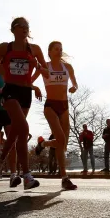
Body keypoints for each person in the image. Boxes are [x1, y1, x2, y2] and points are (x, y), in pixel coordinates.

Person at [0, 17, 47, 190]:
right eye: (21, 26)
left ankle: (0, 159)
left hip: (25, 93)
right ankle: (27, 176)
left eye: (27, 26)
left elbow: (46, 72)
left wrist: (37, 69)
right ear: (13, 30)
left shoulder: (34, 49)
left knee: (15, 133)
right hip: (10, 91)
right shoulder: (5, 47)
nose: (25, 29)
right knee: (24, 128)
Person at [34, 41, 78, 190]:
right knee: (61, 139)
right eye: (56, 49)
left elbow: (75, 84)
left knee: (63, 144)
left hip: (64, 107)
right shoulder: (45, 67)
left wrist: (74, 87)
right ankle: (65, 178)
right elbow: (28, 81)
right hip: (51, 106)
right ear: (50, 52)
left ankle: (43, 144)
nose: (59, 52)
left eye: (61, 49)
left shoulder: (68, 67)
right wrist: (35, 88)